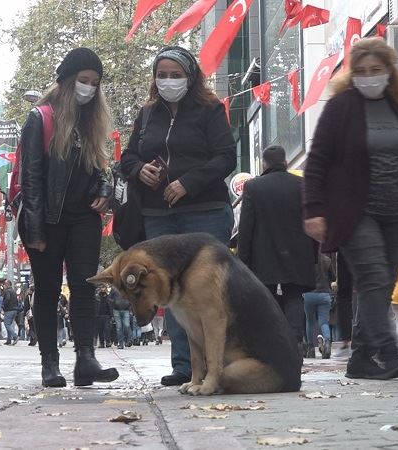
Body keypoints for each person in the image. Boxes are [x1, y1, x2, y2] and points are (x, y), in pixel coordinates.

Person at [303, 38, 398, 380]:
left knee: (382, 283)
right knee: (373, 277)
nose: (369, 77)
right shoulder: (341, 106)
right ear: (352, 74)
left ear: (389, 71)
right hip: (356, 211)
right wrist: (313, 208)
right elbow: (317, 160)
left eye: (376, 70)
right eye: (361, 71)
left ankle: (360, 357)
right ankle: (388, 353)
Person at [120, 46, 236, 387]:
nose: (168, 81)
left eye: (176, 75)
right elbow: (127, 157)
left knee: (209, 291)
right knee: (170, 292)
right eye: (162, 75)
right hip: (158, 216)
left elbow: (226, 156)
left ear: (190, 76)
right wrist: (140, 170)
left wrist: (189, 182)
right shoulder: (147, 114)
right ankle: (184, 366)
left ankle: (222, 363)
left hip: (206, 212)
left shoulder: (209, 109)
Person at [18, 47, 118, 388]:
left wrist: (105, 188)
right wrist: (34, 228)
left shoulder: (93, 122)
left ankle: (86, 359)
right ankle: (50, 363)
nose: (88, 88)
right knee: (46, 290)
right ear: (66, 81)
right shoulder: (41, 117)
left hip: (84, 218)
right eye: (82, 80)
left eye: (94, 82)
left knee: (85, 287)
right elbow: (29, 177)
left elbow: (100, 168)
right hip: (46, 218)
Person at [237, 145, 317, 354]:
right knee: (294, 296)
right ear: (286, 163)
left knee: (267, 298)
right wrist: (314, 255)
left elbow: (246, 228)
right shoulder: (302, 185)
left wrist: (243, 263)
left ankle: (271, 346)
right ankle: (296, 341)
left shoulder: (254, 187)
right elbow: (312, 220)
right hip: (298, 253)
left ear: (264, 164)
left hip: (264, 256)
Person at [304, 254, 335, 359]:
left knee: (310, 321)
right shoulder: (327, 260)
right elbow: (333, 278)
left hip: (309, 294)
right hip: (324, 295)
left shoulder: (305, 259)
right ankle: (327, 345)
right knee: (324, 322)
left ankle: (311, 348)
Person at [2, 280, 20, 345]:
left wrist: (3, 305)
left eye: (5, 284)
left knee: (6, 324)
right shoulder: (13, 291)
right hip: (14, 310)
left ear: (7, 284)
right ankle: (8, 340)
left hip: (9, 310)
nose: (4, 285)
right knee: (9, 324)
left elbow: (7, 298)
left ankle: (15, 337)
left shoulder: (7, 291)